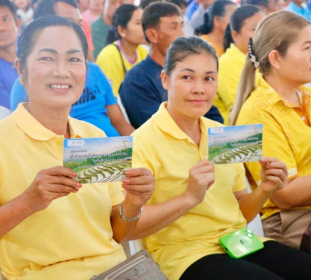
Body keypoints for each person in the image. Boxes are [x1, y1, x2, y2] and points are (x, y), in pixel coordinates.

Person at [0, 16, 155, 279]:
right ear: (21, 70)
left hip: (118, 272)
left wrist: (134, 203)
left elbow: (118, 234)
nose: (62, 71)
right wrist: (27, 202)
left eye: (73, 59)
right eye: (47, 58)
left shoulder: (93, 137)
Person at [132, 35, 311, 280]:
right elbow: (130, 228)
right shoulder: (142, 142)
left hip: (239, 241)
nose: (199, 88)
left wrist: (265, 188)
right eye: (187, 77)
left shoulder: (222, 135)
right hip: (185, 254)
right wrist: (188, 198)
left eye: (208, 78)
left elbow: (241, 214)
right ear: (165, 79)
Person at [231, 11, 311, 252]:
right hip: (292, 223)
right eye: (307, 47)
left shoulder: (304, 95)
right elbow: (284, 195)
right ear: (276, 58)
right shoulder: (257, 114)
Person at [12, 0, 134, 136]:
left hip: (112, 152)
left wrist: (138, 149)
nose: (77, 32)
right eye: (68, 23)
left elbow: (119, 122)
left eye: (79, 25)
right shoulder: (28, 83)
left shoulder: (93, 71)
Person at [119, 2, 222, 128]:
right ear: (152, 35)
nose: (182, 34)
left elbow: (214, 116)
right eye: (174, 27)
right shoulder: (137, 79)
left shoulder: (194, 69)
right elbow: (156, 127)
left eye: (181, 26)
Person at [216, 5, 265, 124]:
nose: (262, 34)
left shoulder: (264, 58)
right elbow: (243, 110)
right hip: (241, 134)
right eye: (254, 29)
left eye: (264, 28)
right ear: (235, 35)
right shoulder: (227, 64)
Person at [96, 4, 147, 97]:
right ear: (122, 30)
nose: (145, 28)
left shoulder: (143, 52)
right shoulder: (109, 56)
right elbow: (110, 101)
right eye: (139, 23)